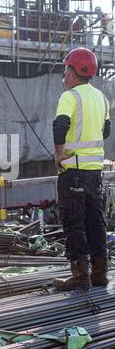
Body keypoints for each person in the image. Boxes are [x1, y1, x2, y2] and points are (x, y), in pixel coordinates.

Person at [52, 47, 110, 291]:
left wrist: (59, 153)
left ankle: (80, 276)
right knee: (96, 222)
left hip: (73, 170)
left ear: (75, 72)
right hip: (95, 172)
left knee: (74, 222)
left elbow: (60, 125)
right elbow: (105, 131)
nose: (64, 76)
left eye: (66, 70)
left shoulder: (70, 96)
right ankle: (100, 273)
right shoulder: (101, 97)